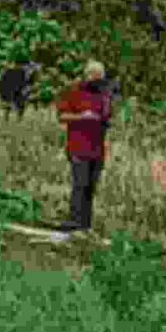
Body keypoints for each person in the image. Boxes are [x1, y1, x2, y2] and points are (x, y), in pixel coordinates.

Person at [56, 56, 114, 233]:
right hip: (78, 147)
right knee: (80, 184)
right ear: (87, 75)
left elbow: (107, 119)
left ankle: (85, 226)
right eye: (95, 77)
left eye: (100, 77)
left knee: (90, 187)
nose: (98, 81)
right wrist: (82, 117)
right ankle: (74, 222)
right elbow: (61, 116)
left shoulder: (104, 95)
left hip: (97, 149)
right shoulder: (74, 91)